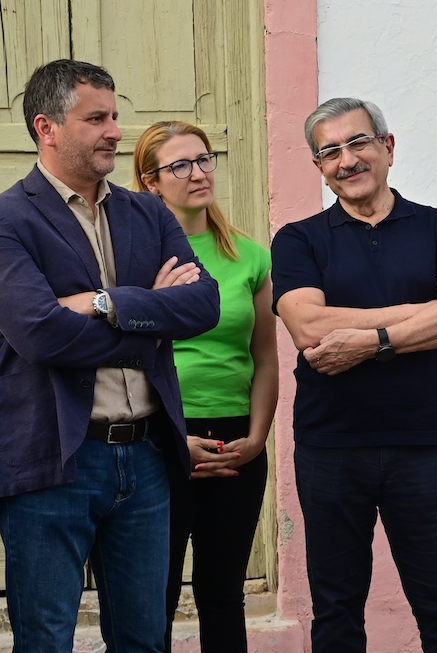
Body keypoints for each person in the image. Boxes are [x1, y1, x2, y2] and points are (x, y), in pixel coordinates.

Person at [0, 60, 219, 652]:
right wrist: (150, 319)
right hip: (53, 462)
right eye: (96, 118)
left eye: (115, 116)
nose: (116, 131)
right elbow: (40, 335)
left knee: (145, 641)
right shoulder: (8, 219)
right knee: (45, 640)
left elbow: (202, 306)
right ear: (46, 127)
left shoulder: (146, 210)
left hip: (146, 460)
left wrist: (101, 303)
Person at [271, 97, 437, 653]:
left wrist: (371, 342)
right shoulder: (298, 239)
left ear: (387, 148)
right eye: (330, 152)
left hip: (421, 446)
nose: (347, 160)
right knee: (337, 612)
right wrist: (424, 312)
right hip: (330, 449)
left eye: (358, 143)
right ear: (318, 166)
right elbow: (308, 326)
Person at [132, 121, 278, 652]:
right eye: (180, 165)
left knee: (222, 592)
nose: (198, 173)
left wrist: (257, 438)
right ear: (151, 181)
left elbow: (264, 357)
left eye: (204, 159)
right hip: (159, 440)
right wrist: (173, 438)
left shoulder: (250, 255)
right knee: (156, 593)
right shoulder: (134, 257)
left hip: (238, 443)